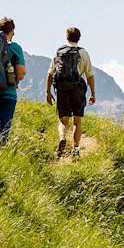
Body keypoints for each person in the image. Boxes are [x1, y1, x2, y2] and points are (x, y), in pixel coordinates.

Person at [45, 26, 96, 157]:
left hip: (62, 89)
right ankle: (76, 149)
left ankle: (62, 137)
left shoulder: (59, 51)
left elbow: (51, 73)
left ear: (67, 37)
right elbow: (90, 75)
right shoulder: (83, 53)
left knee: (63, 121)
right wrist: (92, 93)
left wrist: (48, 92)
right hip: (77, 89)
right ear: (79, 38)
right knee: (77, 121)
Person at [0, 16, 27, 145]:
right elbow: (21, 73)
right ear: (12, 31)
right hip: (7, 94)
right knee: (2, 131)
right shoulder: (14, 47)